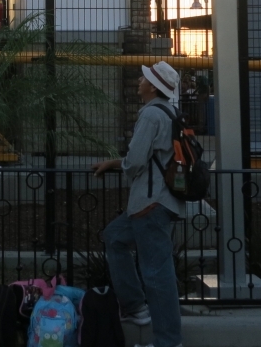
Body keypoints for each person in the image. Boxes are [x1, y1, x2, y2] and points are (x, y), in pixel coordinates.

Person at [93, 61, 183, 347]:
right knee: (115, 237)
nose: (140, 82)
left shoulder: (151, 116)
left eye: (145, 79)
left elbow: (135, 163)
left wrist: (120, 163)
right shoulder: (170, 112)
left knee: (157, 275)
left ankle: (168, 341)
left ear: (153, 87)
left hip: (149, 203)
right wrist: (114, 162)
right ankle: (136, 307)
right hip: (158, 201)